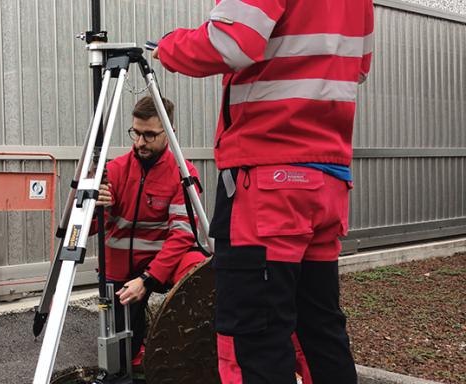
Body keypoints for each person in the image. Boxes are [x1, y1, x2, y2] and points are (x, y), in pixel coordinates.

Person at [152, 0, 374, 382]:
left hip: (268, 180)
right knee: (320, 330)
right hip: (328, 180)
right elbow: (360, 67)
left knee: (253, 336)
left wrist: (168, 46)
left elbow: (229, 42)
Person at [93, 95, 206, 374]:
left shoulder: (184, 173)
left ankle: (195, 349)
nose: (140, 142)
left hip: (165, 262)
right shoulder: (114, 170)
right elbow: (90, 231)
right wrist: (96, 209)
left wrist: (147, 279)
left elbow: (182, 235)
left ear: (169, 133)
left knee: (198, 272)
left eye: (150, 135)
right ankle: (137, 347)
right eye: (136, 133)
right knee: (121, 359)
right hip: (121, 265)